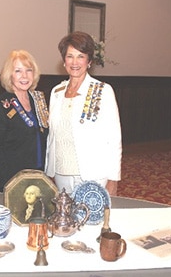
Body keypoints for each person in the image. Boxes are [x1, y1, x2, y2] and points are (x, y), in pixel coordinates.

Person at [45, 31, 122, 195]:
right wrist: (48, 170)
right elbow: (52, 135)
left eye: (80, 56)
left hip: (93, 174)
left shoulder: (103, 91)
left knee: (91, 220)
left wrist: (113, 179)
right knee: (65, 219)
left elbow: (114, 139)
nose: (74, 62)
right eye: (70, 56)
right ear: (64, 60)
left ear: (89, 61)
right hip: (60, 174)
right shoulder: (56, 92)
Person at [0, 50, 49, 193]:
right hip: (11, 178)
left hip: (38, 175)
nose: (24, 76)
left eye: (28, 70)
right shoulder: (1, 105)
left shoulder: (38, 100)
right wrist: (6, 184)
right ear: (10, 75)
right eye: (18, 71)